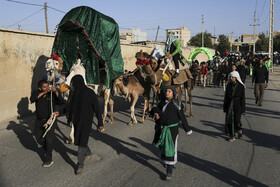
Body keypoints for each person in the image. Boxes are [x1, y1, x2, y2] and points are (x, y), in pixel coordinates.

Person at [151, 85, 192, 181]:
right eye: (166, 91)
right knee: (163, 147)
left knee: (170, 149)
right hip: (162, 129)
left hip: (172, 130)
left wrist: (187, 129)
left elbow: (182, 118)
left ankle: (169, 171)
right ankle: (166, 162)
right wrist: (156, 116)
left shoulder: (176, 103)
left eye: (169, 91)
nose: (167, 93)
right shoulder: (161, 103)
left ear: (173, 93)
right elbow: (156, 114)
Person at [66, 75, 104, 175]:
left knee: (82, 141)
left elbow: (97, 108)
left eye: (73, 83)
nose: (72, 85)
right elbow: (68, 107)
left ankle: (80, 164)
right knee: (78, 139)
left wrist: (100, 123)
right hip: (76, 121)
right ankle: (87, 152)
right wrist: (58, 112)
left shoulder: (90, 92)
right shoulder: (74, 93)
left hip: (86, 121)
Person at [30, 80, 65, 167]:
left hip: (50, 120)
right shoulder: (37, 93)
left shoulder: (52, 94)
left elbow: (61, 101)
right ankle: (48, 148)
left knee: (49, 139)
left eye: (47, 86)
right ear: (40, 88)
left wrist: (55, 91)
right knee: (39, 139)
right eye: (44, 87)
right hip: (39, 121)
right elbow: (33, 99)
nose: (47, 88)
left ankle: (48, 159)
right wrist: (44, 92)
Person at [223, 71, 246, 142]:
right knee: (230, 120)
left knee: (237, 120)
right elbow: (226, 97)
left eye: (232, 77)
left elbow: (243, 98)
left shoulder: (241, 86)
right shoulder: (229, 85)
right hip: (230, 104)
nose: (231, 78)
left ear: (236, 78)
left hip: (238, 104)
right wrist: (225, 107)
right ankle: (232, 135)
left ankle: (239, 129)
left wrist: (243, 109)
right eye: (230, 77)